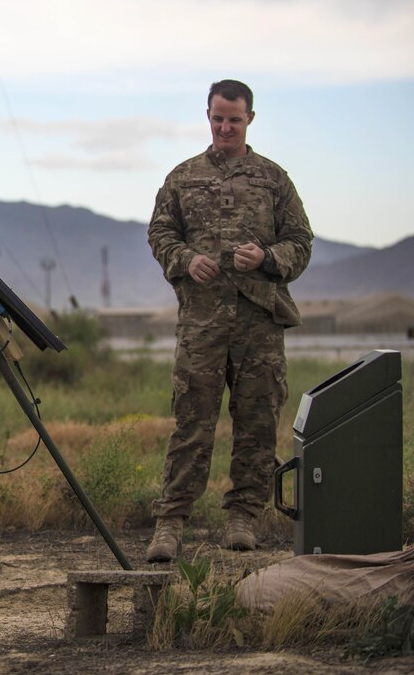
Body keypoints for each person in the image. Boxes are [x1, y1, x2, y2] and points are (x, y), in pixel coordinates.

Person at [145, 80, 313, 563]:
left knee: (257, 423)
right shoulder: (182, 178)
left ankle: (244, 517)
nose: (224, 127)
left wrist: (267, 256)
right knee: (191, 422)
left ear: (249, 120)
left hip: (258, 323)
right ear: (208, 115)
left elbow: (301, 242)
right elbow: (160, 233)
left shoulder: (273, 179)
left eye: (234, 120)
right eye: (218, 118)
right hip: (201, 324)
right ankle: (171, 522)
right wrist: (184, 259)